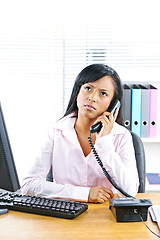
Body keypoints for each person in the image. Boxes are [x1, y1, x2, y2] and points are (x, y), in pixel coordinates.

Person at [21, 64, 139, 203]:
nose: (92, 98)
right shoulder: (56, 131)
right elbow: (28, 185)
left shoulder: (121, 136)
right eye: (88, 88)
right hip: (64, 214)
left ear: (112, 104)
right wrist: (84, 194)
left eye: (103, 93)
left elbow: (130, 191)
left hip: (105, 217)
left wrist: (105, 142)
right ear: (77, 92)